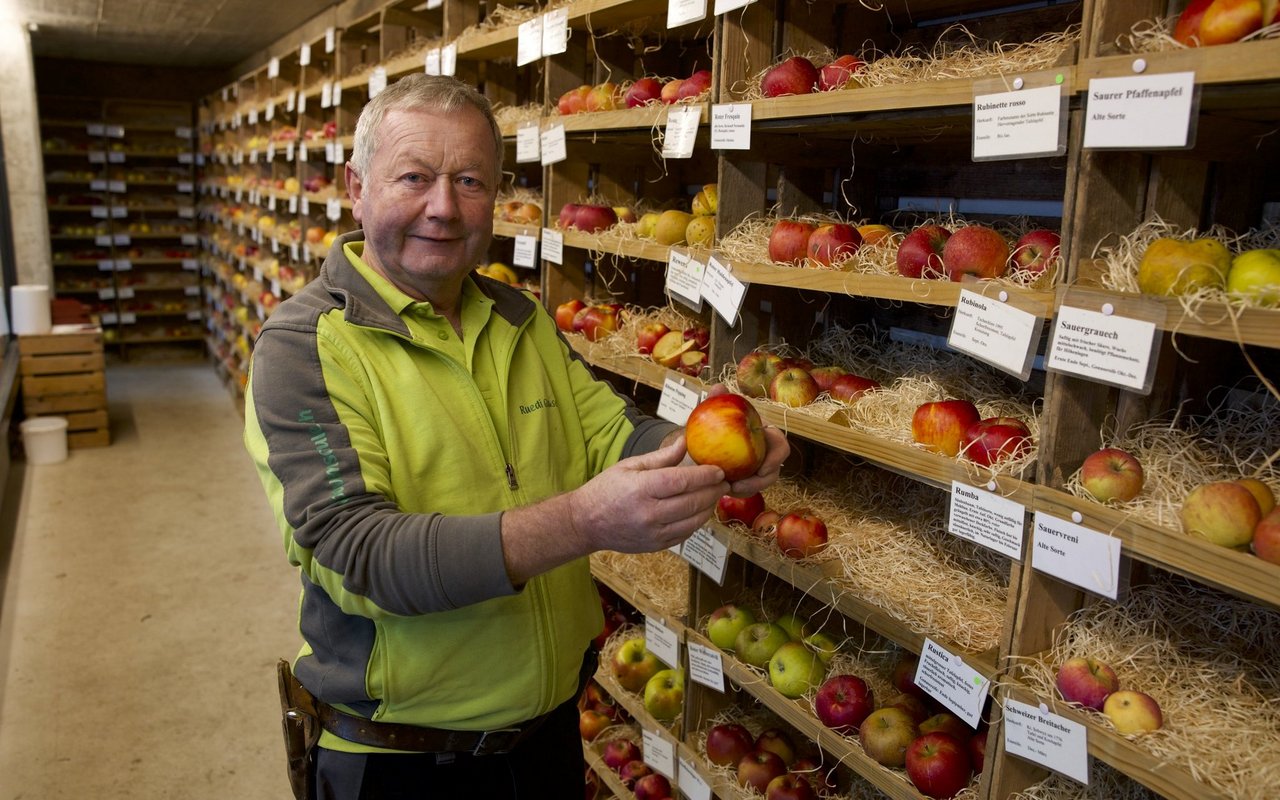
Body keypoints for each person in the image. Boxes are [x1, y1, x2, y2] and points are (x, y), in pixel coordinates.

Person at [244, 73, 788, 799]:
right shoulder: (301, 348)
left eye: (469, 181)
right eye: (414, 177)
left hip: (546, 741)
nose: (443, 208)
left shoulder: (519, 318)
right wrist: (581, 521)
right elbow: (362, 555)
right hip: (403, 763)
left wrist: (711, 449)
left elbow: (610, 432)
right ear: (356, 187)